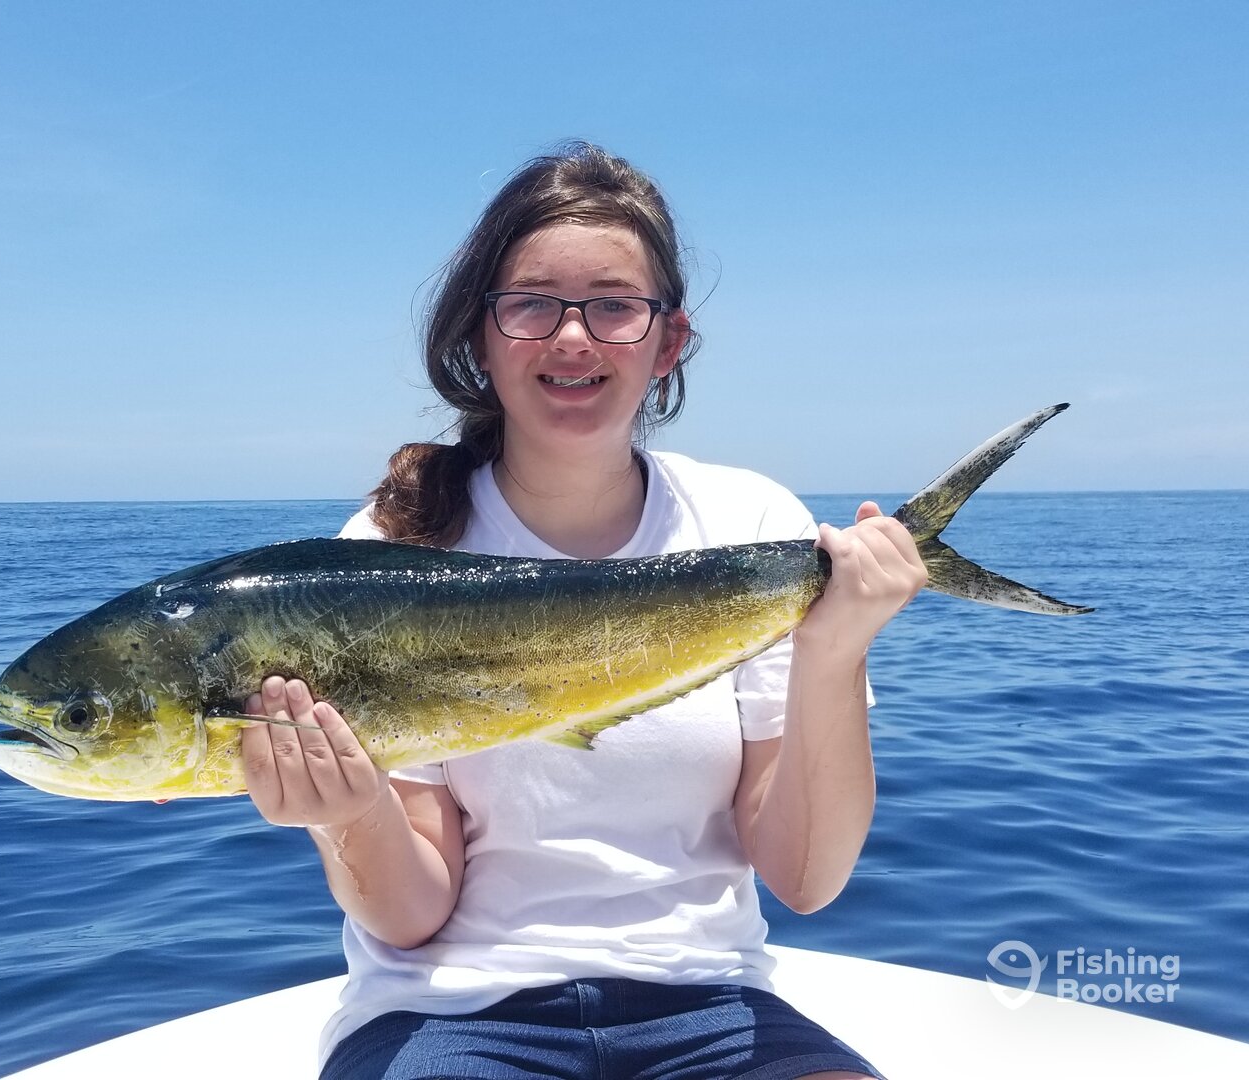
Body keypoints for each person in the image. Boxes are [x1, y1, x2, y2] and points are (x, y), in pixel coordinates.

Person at [240, 143, 925, 1080]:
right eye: (531, 304)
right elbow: (412, 915)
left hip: (710, 1005)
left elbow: (805, 878)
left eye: (613, 305)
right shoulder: (391, 550)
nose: (573, 337)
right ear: (480, 337)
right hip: (452, 1015)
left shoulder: (752, 525)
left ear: (666, 341)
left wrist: (836, 653)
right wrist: (347, 813)